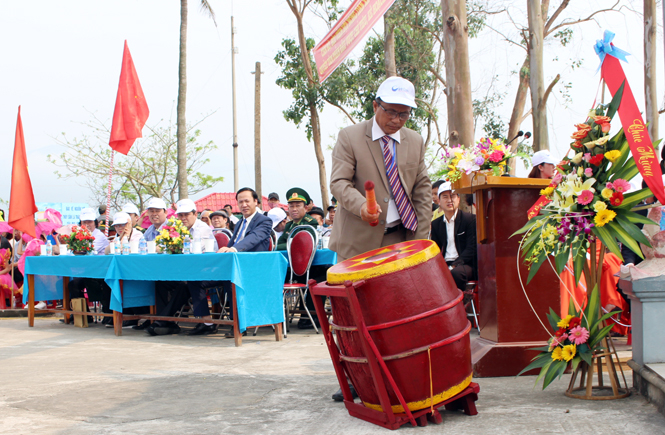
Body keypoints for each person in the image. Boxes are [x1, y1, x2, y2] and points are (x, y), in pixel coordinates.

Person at [329, 76, 432, 262]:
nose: (396, 120)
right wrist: (361, 206)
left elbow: (422, 192)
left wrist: (419, 241)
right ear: (375, 106)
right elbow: (339, 182)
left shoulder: (415, 141)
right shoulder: (350, 137)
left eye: (404, 114)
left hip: (400, 240)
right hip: (357, 242)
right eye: (391, 112)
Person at [186, 188, 273, 337]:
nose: (244, 204)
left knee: (231, 279)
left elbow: (253, 239)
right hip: (230, 266)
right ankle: (207, 323)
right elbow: (230, 244)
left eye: (247, 201)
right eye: (241, 202)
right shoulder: (239, 223)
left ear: (256, 202)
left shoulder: (264, 221)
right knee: (195, 280)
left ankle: (238, 325)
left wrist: (234, 249)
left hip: (250, 269)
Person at [145, 199, 215, 336]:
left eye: (186, 214)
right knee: (161, 282)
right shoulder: (177, 229)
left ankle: (162, 321)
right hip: (185, 271)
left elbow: (197, 253)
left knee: (185, 285)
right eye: (180, 215)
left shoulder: (202, 229)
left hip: (205, 271)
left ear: (195, 214)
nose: (183, 218)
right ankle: (167, 323)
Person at [430, 182, 477, 291]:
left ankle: (459, 303)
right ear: (439, 201)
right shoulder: (436, 224)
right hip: (446, 263)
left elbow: (471, 249)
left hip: (465, 264)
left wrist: (454, 266)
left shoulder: (470, 219)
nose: (449, 200)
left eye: (453, 196)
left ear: (459, 199)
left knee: (456, 274)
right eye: (445, 197)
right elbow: (435, 249)